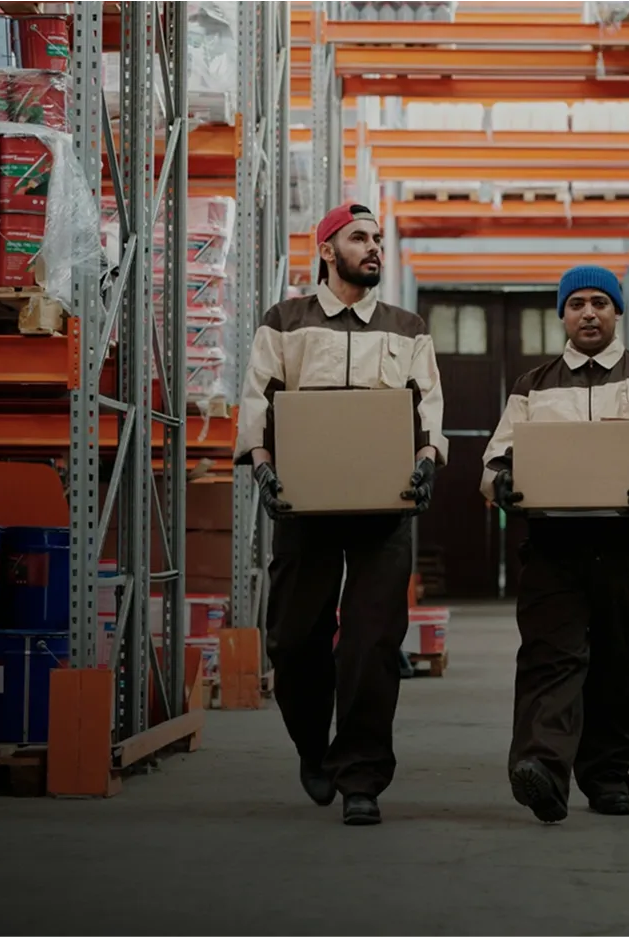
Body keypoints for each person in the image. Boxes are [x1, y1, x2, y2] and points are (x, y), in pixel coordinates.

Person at [233, 203, 448, 826]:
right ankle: (312, 747)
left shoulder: (407, 327)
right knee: (294, 638)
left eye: (379, 238)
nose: (374, 247)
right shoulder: (286, 321)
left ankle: (362, 778)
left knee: (371, 644)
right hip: (305, 501)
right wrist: (264, 466)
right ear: (327, 250)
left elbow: (427, 404)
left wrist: (429, 456)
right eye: (360, 238)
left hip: (386, 507)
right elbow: (258, 399)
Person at [480, 265, 629, 824]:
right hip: (555, 544)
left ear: (617, 311)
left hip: (628, 543)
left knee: (620, 662)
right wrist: (499, 481)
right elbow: (498, 455)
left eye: (600, 302)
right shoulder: (533, 384)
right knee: (550, 657)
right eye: (577, 305)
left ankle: (607, 775)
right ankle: (542, 771)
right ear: (563, 316)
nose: (589, 313)